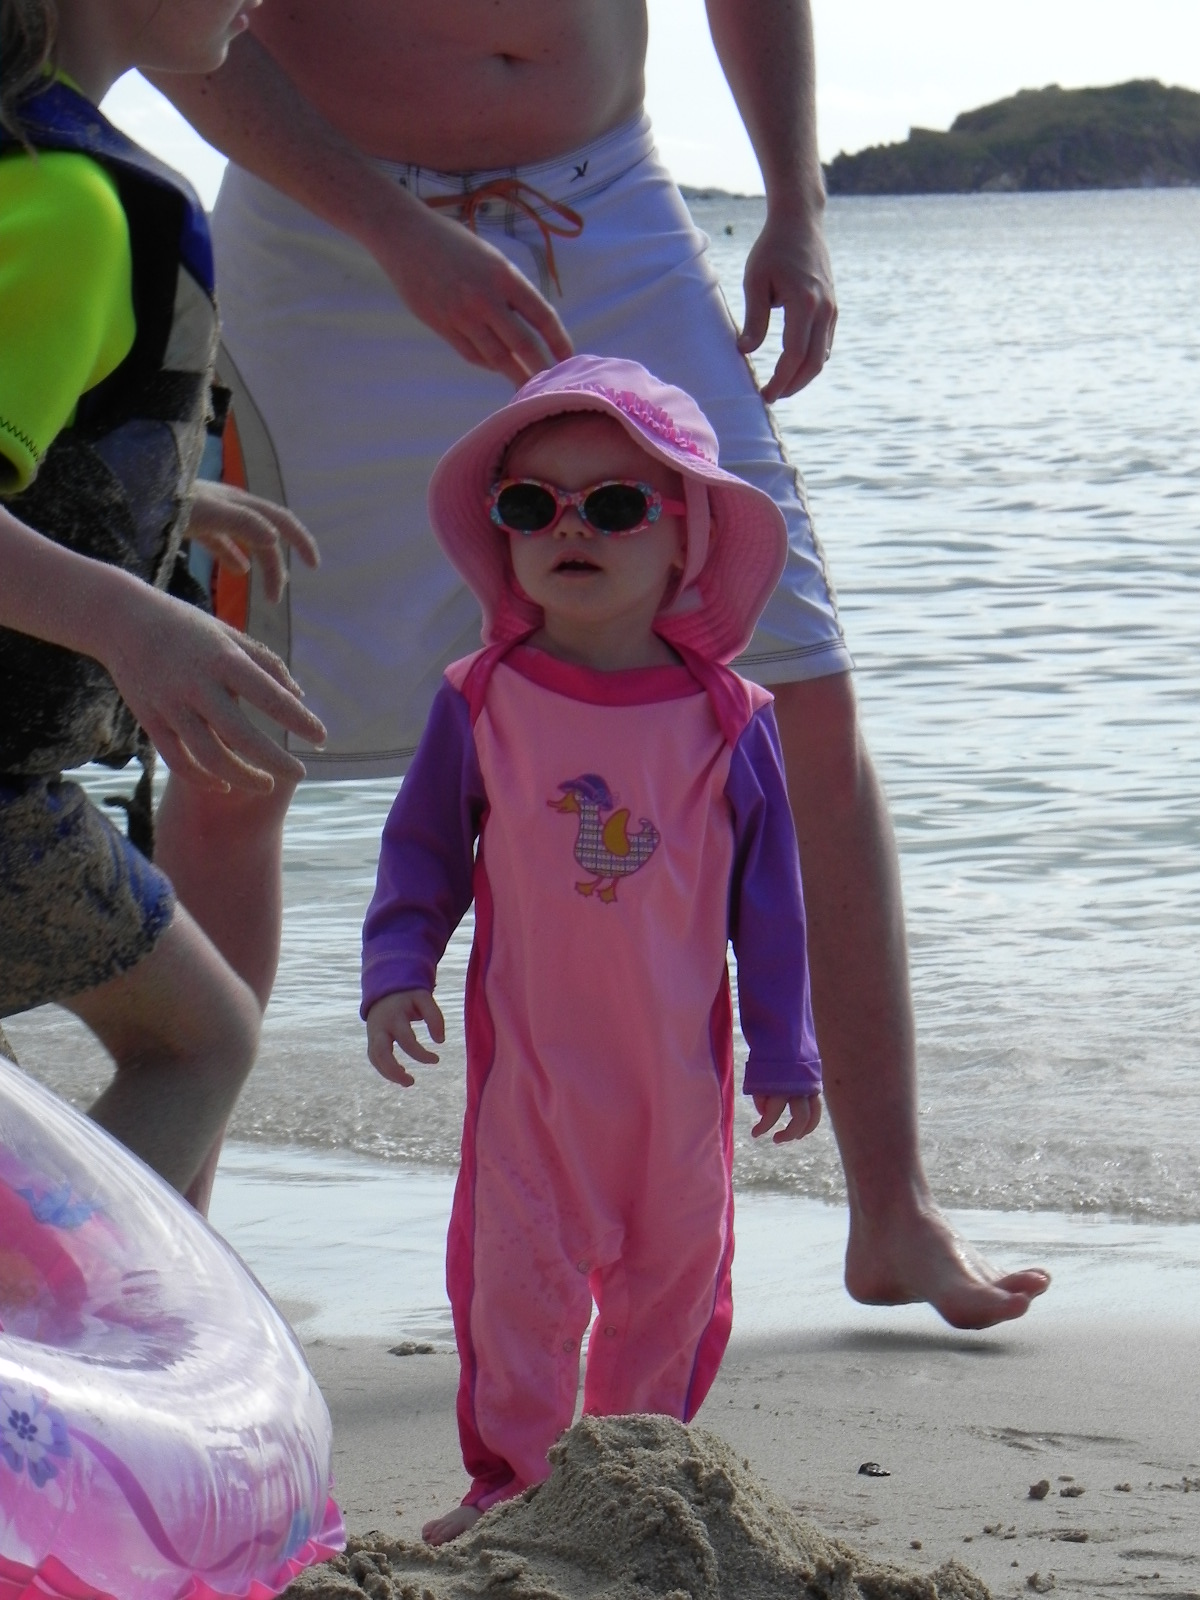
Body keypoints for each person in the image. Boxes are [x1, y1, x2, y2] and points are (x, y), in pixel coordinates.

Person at [156, 0, 1050, 1323]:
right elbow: (173, 27)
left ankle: (894, 1216)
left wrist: (795, 206)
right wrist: (396, 230)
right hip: (323, 229)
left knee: (796, 698)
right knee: (237, 738)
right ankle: (168, 1255)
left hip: (604, 206)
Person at [363, 357, 824, 1543]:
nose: (571, 528)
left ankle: (638, 1474)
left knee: (675, 1284)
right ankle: (513, 1485)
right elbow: (422, 855)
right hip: (533, 1083)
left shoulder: (729, 720)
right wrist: (397, 971)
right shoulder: (483, 700)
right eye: (533, 505)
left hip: (676, 1091)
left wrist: (787, 1048)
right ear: (504, 536)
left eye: (614, 504)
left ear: (685, 542)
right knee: (515, 1286)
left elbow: (771, 908)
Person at [0, 0, 326, 1213]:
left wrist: (169, 497)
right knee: (202, 1039)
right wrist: (132, 620)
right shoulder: (76, 203)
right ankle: (54, 1315)